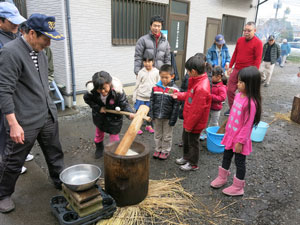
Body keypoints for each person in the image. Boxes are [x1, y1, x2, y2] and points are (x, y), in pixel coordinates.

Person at [0, 13, 65, 213]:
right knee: (13, 160)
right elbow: (4, 90)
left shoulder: (41, 52)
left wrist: (51, 109)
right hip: (24, 120)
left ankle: (59, 180)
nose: (48, 44)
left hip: (46, 114)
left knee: (55, 153)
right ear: (31, 33)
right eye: (45, 39)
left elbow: (43, 83)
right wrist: (13, 123)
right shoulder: (11, 52)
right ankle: (3, 194)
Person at [210, 66, 262, 196]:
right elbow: (233, 115)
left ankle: (238, 187)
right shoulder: (239, 96)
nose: (237, 84)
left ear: (250, 84)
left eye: (240, 82)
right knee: (226, 156)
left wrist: (240, 141)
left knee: (239, 162)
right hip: (230, 135)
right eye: (238, 81)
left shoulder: (251, 103)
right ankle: (222, 177)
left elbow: (247, 125)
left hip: (240, 140)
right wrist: (226, 129)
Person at [0, 2, 34, 175]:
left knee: (19, 121)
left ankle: (20, 152)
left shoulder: (12, 34)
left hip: (17, 89)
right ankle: (8, 159)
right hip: (4, 88)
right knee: (6, 126)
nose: (16, 24)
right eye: (11, 21)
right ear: (0, 21)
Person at [172, 56, 211, 171]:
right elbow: (189, 95)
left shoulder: (202, 88)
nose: (187, 73)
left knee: (193, 142)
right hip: (189, 119)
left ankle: (193, 163)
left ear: (193, 71)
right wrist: (178, 95)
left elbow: (197, 111)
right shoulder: (196, 81)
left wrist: (189, 126)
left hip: (195, 122)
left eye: (188, 71)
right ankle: (186, 157)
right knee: (186, 139)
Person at [84, 71, 135, 159]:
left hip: (114, 118)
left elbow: (124, 104)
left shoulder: (118, 92)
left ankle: (115, 152)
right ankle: (99, 148)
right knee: (99, 134)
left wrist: (130, 113)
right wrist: (98, 108)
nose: (103, 92)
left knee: (114, 137)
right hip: (100, 117)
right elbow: (87, 99)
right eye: (99, 90)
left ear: (110, 83)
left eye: (104, 88)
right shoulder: (92, 92)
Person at [225, 22, 263, 115]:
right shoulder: (240, 40)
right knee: (230, 90)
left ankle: (245, 110)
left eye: (249, 30)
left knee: (246, 92)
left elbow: (258, 59)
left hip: (248, 72)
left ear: (254, 30)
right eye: (244, 30)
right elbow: (235, 53)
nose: (246, 32)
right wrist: (230, 66)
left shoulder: (258, 42)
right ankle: (233, 108)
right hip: (237, 69)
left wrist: (254, 73)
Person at [149, 64, 180, 160]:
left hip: (168, 117)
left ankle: (165, 151)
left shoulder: (173, 89)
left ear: (172, 76)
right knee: (157, 134)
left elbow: (176, 105)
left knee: (167, 135)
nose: (164, 79)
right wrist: (151, 114)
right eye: (162, 77)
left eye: (167, 77)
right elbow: (152, 101)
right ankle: (158, 149)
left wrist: (173, 119)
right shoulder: (155, 88)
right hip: (157, 116)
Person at [133, 54, 160, 134]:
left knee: (150, 112)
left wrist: (157, 97)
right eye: (145, 61)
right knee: (138, 113)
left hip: (150, 97)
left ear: (153, 62)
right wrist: (135, 97)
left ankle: (149, 125)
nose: (147, 63)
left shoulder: (157, 72)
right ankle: (137, 127)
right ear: (143, 62)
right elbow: (137, 85)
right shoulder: (141, 72)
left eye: (149, 61)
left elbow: (158, 85)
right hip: (140, 96)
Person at [200, 66, 227, 140]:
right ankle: (204, 133)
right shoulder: (212, 83)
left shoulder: (221, 87)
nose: (211, 77)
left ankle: (215, 134)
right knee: (205, 120)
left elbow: (222, 98)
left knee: (214, 122)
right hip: (208, 106)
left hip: (216, 109)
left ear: (218, 77)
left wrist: (211, 96)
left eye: (212, 76)